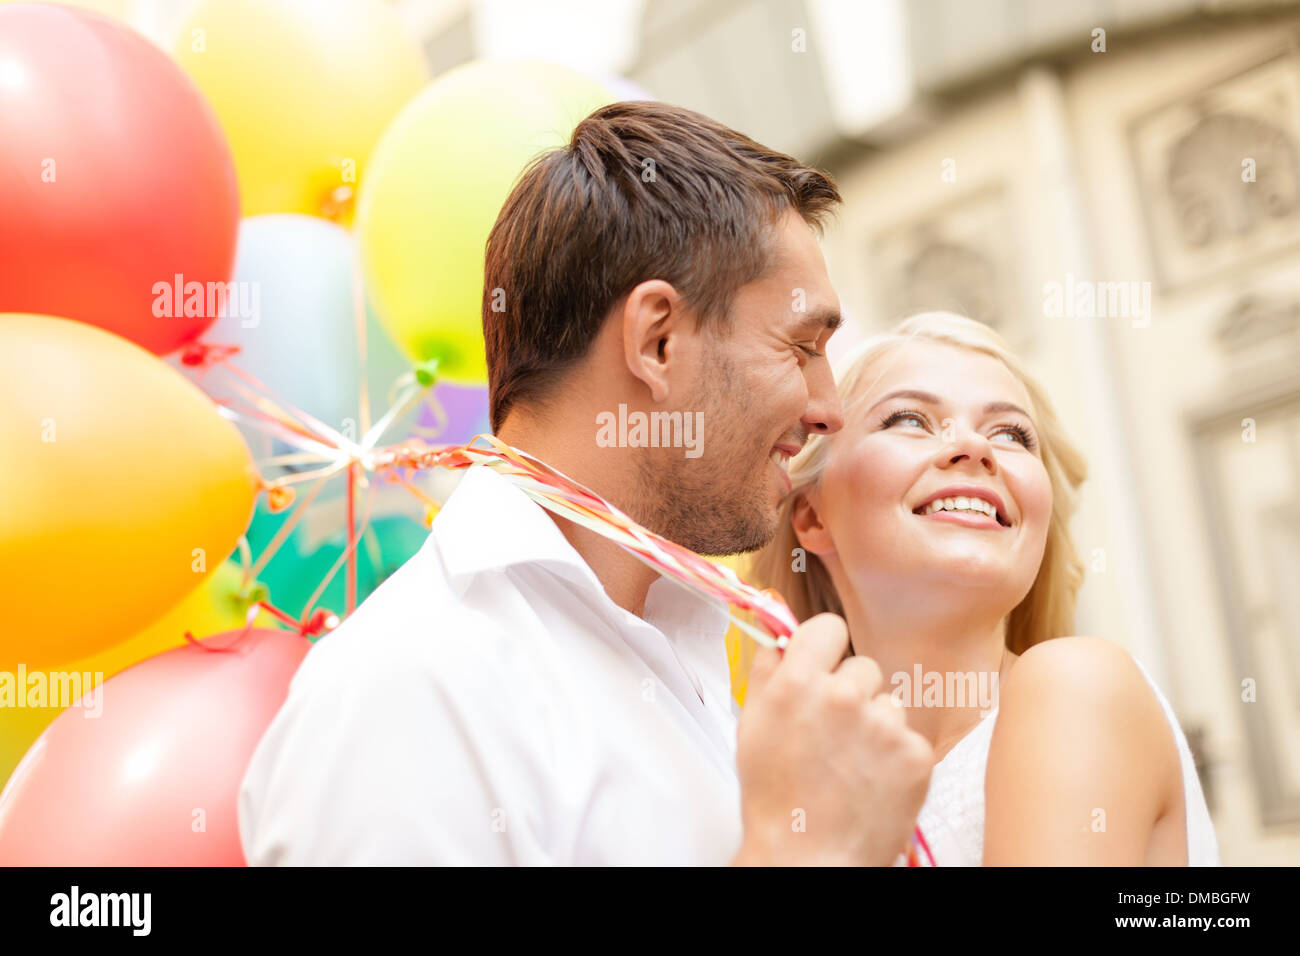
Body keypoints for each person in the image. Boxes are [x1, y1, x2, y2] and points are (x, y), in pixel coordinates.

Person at [238, 101, 934, 866]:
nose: (829, 407)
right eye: (801, 347)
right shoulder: (411, 690)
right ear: (657, 340)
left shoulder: (686, 651)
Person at [750, 311, 1220, 865]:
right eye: (909, 419)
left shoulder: (1077, 685)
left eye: (1012, 434)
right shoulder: (774, 770)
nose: (974, 448)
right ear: (812, 517)